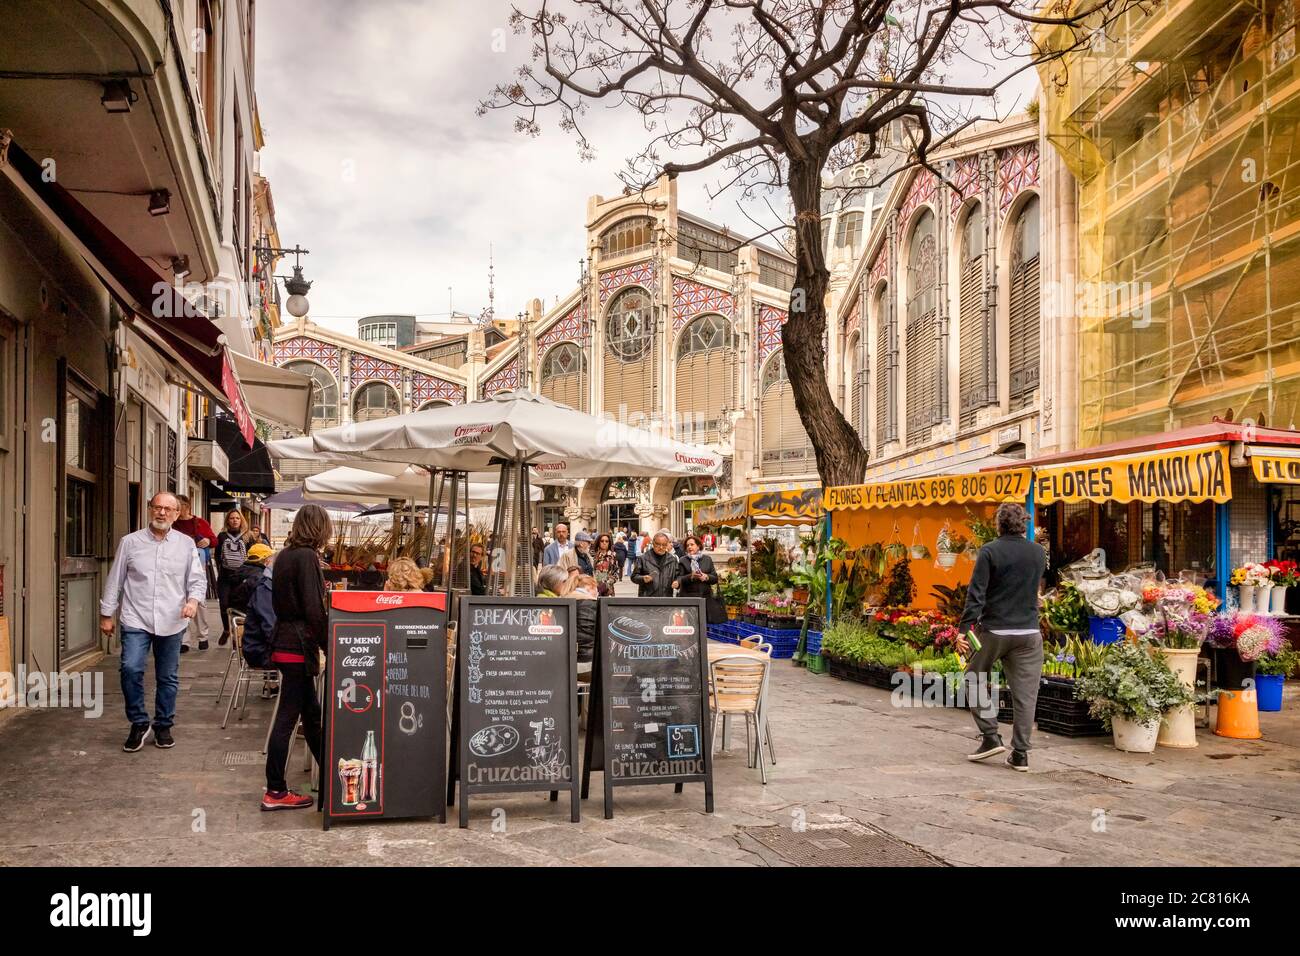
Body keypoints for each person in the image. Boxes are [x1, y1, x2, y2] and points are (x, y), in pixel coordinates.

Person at [99, 492, 207, 752]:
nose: (161, 513)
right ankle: (138, 722)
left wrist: (192, 602)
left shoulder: (185, 544)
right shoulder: (130, 542)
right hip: (136, 617)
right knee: (130, 669)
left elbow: (196, 579)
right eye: (157, 508)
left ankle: (163, 725)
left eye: (168, 509)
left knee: (167, 676)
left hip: (172, 619)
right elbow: (116, 579)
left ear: (177, 513)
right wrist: (106, 613)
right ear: (150, 510)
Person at [956, 502, 1047, 772]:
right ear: (1024, 524)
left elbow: (976, 594)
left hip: (995, 631)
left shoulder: (990, 552)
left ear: (999, 524)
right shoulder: (1038, 553)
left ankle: (990, 736)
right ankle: (1020, 754)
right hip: (1029, 633)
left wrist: (964, 630)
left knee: (973, 677)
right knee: (1025, 695)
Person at [264, 504, 332, 810]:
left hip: (284, 642)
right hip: (297, 646)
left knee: (312, 716)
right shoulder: (306, 557)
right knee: (288, 720)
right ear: (319, 528)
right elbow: (314, 611)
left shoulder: (286, 555)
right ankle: (275, 791)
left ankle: (333, 777)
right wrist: (331, 646)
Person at [172, 495, 216, 652]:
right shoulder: (172, 524)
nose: (179, 509)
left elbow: (213, 539)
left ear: (188, 506)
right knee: (182, 602)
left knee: (200, 602)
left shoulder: (199, 522)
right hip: (177, 568)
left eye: (180, 505)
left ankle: (203, 636)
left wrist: (208, 541)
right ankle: (184, 640)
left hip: (198, 567)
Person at [215, 510, 253, 646]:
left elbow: (251, 556)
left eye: (237, 518)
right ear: (227, 521)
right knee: (224, 604)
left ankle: (238, 635)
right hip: (225, 576)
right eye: (232, 518)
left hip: (241, 578)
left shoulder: (248, 536)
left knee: (240, 607)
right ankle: (226, 629)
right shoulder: (222, 536)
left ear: (241, 520)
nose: (235, 520)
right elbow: (218, 555)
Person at [228, 543, 274, 615]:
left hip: (238, 613)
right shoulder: (260, 577)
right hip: (252, 618)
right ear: (266, 560)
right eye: (271, 559)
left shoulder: (240, 571)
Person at [633, 531, 679, 597]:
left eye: (664, 545)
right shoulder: (643, 558)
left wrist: (677, 582)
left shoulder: (672, 560)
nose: (661, 547)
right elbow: (634, 576)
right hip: (647, 599)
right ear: (653, 544)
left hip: (666, 598)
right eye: (658, 544)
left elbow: (678, 575)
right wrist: (642, 578)